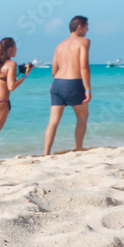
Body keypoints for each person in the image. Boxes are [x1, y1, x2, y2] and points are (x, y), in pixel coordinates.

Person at [44, 16, 91, 155]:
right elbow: (84, 67)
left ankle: (46, 153)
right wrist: (88, 89)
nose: (88, 29)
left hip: (57, 84)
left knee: (53, 121)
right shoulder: (84, 42)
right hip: (74, 83)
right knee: (82, 117)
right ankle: (78, 147)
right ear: (79, 27)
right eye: (87, 26)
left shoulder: (59, 45)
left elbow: (54, 71)